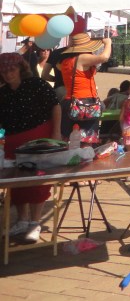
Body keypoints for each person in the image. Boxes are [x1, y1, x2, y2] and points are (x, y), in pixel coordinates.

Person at [0, 52, 61, 243]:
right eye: (4, 70)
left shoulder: (36, 84)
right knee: (16, 182)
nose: (8, 74)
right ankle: (22, 220)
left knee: (38, 181)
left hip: (39, 137)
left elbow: (55, 106)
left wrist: (56, 133)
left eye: (12, 69)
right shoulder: (3, 93)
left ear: (20, 68)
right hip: (13, 141)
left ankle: (35, 222)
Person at [58, 32, 112, 144]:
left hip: (70, 101)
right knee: (87, 140)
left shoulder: (65, 61)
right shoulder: (82, 58)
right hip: (85, 104)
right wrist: (108, 44)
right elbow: (104, 57)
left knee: (70, 139)